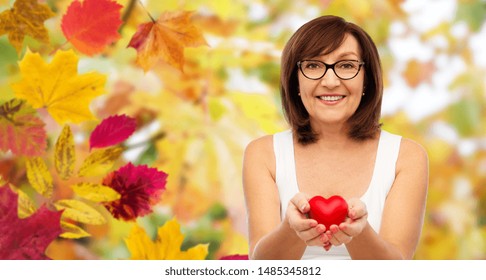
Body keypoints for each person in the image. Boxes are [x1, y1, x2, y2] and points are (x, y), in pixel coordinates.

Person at [242, 15, 429, 260]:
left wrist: (358, 233)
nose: (330, 81)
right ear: (295, 80)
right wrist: (292, 229)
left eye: (347, 65)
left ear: (367, 79)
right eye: (313, 65)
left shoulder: (406, 157)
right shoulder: (263, 153)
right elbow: (261, 266)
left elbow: (396, 267)